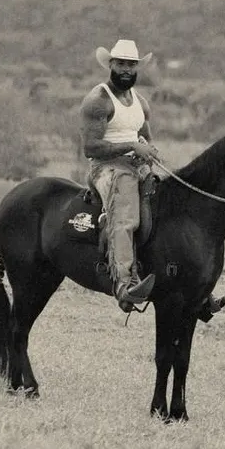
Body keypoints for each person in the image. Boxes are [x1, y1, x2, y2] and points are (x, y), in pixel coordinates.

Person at [80, 39, 159, 312]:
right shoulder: (98, 100)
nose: (126, 69)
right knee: (126, 216)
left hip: (136, 164)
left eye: (131, 65)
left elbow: (145, 137)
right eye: (121, 64)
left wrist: (149, 150)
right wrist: (130, 147)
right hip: (106, 168)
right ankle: (125, 285)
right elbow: (90, 147)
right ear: (111, 65)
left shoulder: (140, 102)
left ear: (137, 68)